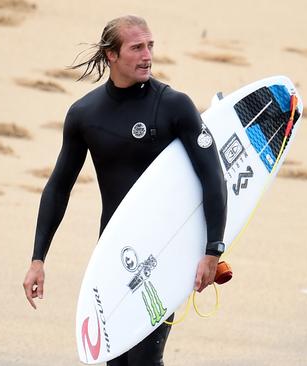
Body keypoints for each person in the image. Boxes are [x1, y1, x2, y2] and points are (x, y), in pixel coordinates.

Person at [22, 15, 227, 366]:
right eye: (136, 47)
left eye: (150, 45)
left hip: (165, 253)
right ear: (111, 55)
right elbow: (58, 187)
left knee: (146, 359)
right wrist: (38, 259)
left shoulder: (174, 106)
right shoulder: (84, 115)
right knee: (115, 360)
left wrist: (213, 249)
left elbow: (213, 176)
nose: (147, 55)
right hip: (113, 255)